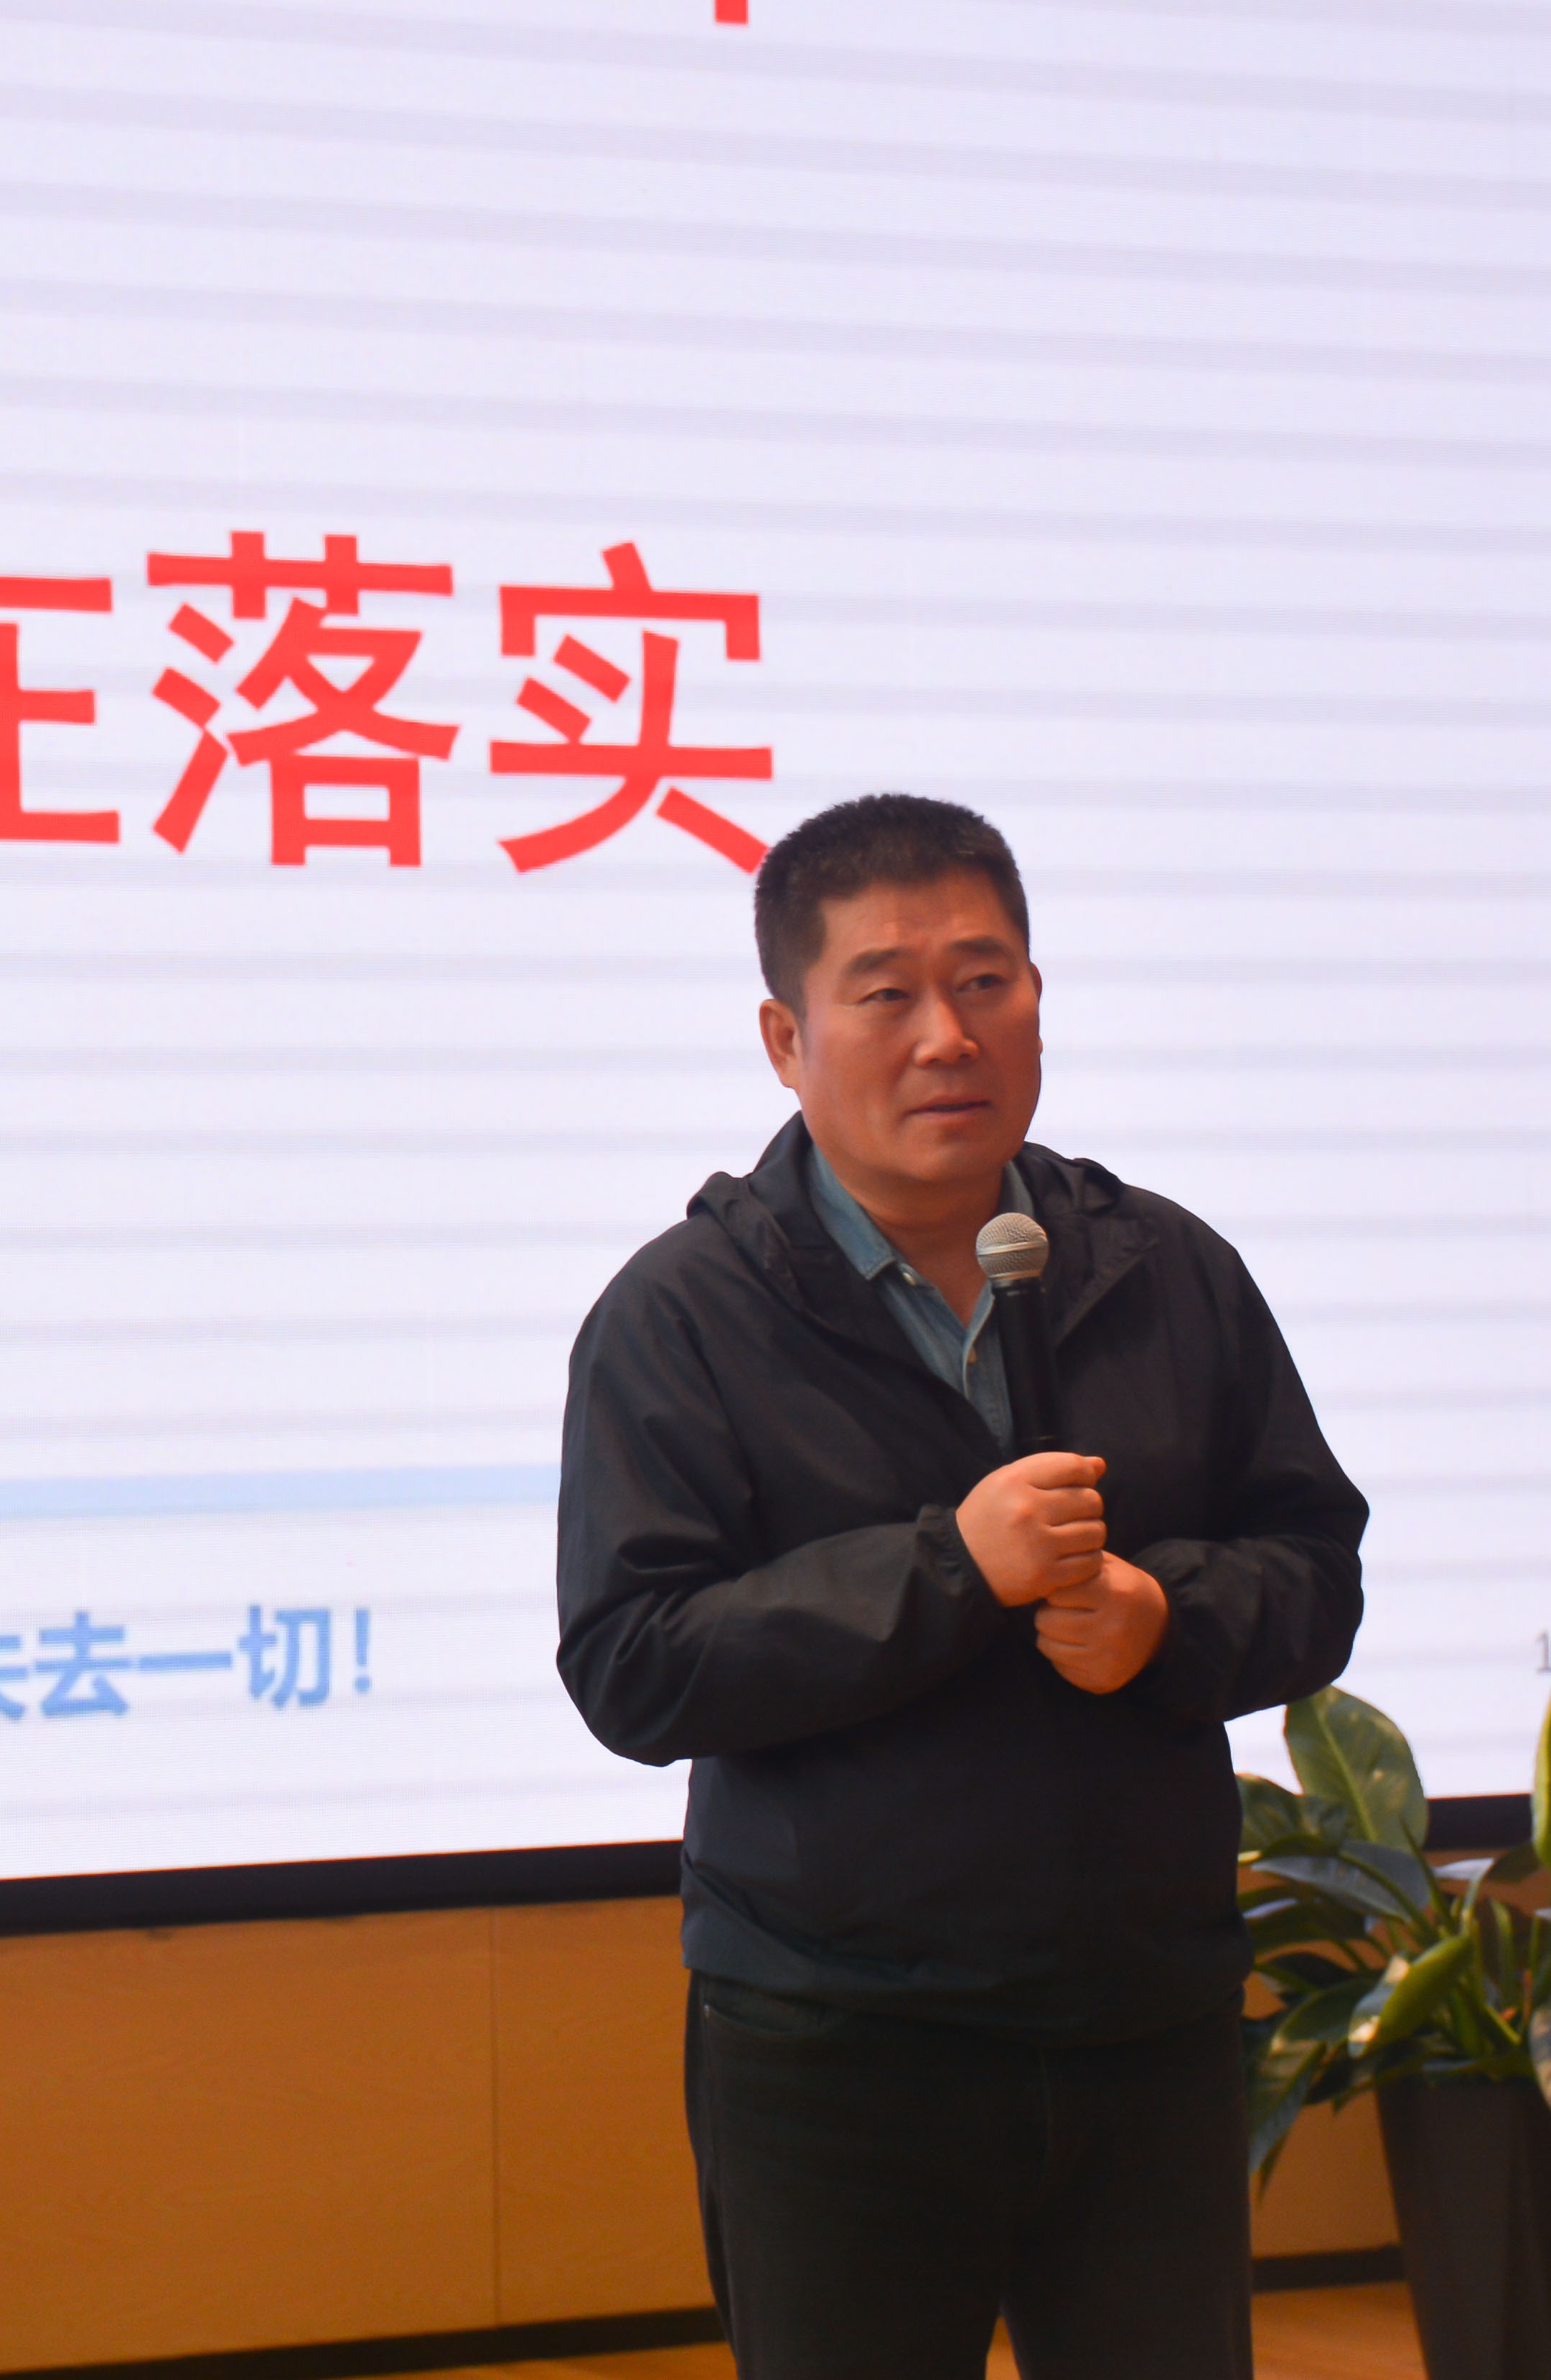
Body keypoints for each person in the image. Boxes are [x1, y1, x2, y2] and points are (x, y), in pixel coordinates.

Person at [555, 793, 1367, 2378]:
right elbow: (635, 1663)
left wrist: (1165, 1621)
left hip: (1142, 2016)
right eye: (886, 994)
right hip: (836, 2040)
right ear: (785, 1040)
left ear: (1036, 1000)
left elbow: (1311, 1568)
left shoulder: (1163, 1269)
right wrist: (947, 1569)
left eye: (984, 982)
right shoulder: (682, 1317)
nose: (947, 1036)